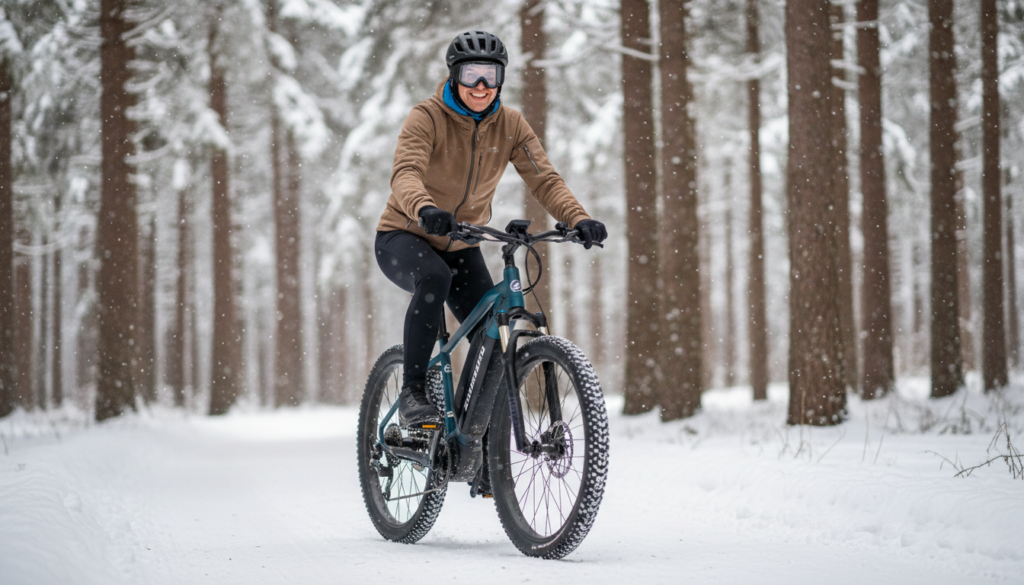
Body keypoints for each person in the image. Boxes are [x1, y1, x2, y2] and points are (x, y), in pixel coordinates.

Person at [375, 30, 608, 427]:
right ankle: (413, 390)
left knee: (491, 339)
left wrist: (578, 218)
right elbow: (406, 172)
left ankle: (476, 439)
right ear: (454, 76)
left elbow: (544, 180)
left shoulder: (511, 125)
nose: (481, 86)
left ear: (502, 78)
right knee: (434, 278)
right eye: (471, 75)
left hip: (461, 243)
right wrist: (425, 207)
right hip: (404, 234)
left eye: (490, 75)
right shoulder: (426, 116)